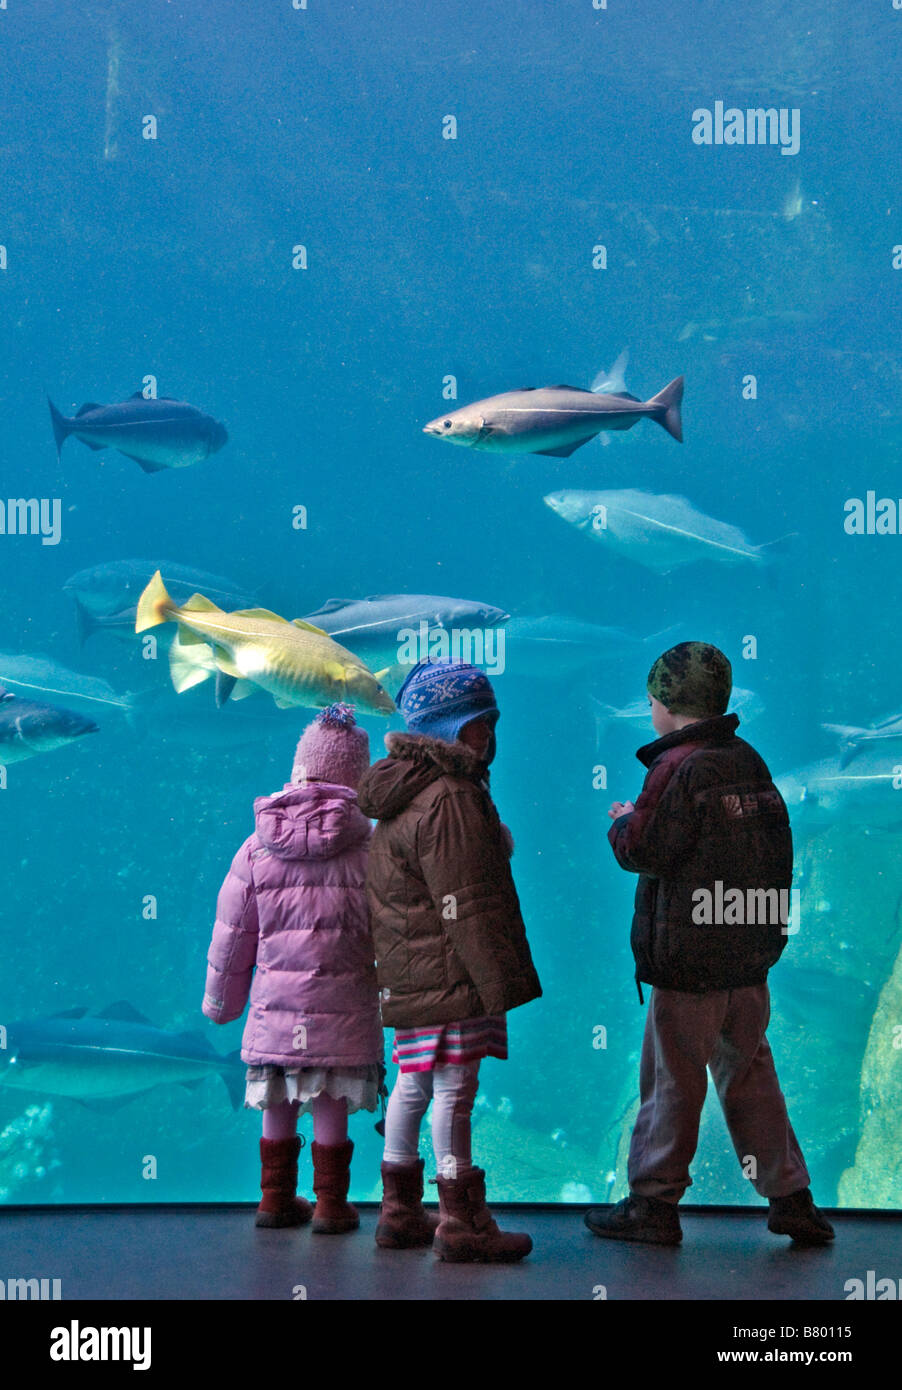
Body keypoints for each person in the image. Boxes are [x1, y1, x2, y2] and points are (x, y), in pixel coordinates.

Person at [586, 642, 834, 1247]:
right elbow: (777, 852)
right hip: (746, 961)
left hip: (688, 965)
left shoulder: (677, 769)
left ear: (665, 705)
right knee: (750, 1074)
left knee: (673, 1079)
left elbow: (647, 849)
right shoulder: (749, 761)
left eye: (650, 702)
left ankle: (653, 1202)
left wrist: (623, 822)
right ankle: (792, 1198)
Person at [356, 659, 542, 1262]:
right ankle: (461, 1221)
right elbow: (468, 901)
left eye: (490, 722)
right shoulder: (452, 796)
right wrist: (496, 982)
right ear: (447, 732)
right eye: (475, 725)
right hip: (454, 973)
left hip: (414, 975)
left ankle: (399, 1211)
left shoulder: (400, 793)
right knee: (455, 1091)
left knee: (412, 1085)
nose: (487, 736)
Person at [202, 703, 383, 1232]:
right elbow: (393, 930)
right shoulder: (371, 845)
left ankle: (274, 1200)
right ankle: (330, 1206)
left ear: (300, 768)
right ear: (360, 777)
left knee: (277, 1095)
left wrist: (221, 1003)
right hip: (344, 1007)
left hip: (276, 1010)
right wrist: (401, 998)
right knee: (330, 1098)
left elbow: (233, 934)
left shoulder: (256, 846)